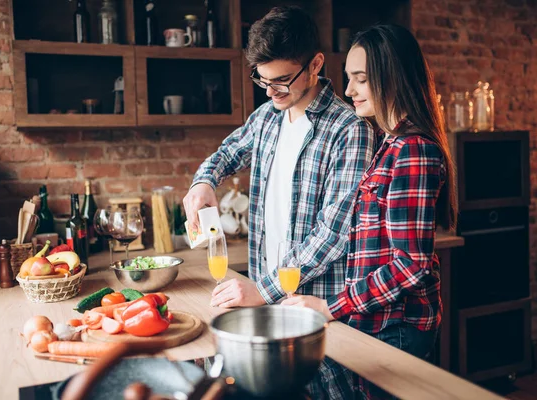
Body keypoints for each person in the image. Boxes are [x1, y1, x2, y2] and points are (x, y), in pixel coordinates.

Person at [283, 24, 458, 398]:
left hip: (397, 325)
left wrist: (332, 306)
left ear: (392, 77)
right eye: (349, 78)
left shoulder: (412, 149)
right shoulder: (388, 141)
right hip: (377, 320)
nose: (348, 91)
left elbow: (411, 264)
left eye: (361, 79)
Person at [182, 5, 374, 310]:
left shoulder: (350, 130)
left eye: (281, 80)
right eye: (262, 81)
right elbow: (228, 153)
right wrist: (203, 182)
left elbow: (333, 235)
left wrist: (263, 289)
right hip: (265, 300)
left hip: (314, 307)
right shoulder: (266, 118)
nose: (271, 92)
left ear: (315, 65)